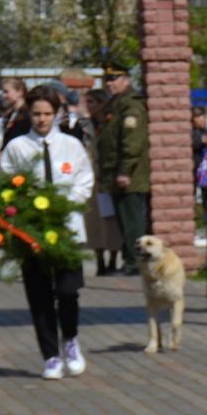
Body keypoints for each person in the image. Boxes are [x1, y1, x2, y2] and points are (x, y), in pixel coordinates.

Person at [0, 85, 96, 379]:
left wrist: (65, 203)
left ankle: (70, 339)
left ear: (57, 114)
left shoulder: (71, 145)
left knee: (67, 290)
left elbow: (84, 180)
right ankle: (50, 354)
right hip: (33, 229)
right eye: (36, 114)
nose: (41, 120)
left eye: (47, 114)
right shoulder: (17, 147)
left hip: (65, 226)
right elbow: (8, 184)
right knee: (39, 293)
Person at [101, 65, 151, 275]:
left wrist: (124, 171)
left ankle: (134, 263)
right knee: (124, 220)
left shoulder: (131, 106)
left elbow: (132, 142)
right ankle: (130, 260)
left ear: (127, 80)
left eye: (115, 79)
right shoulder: (116, 104)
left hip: (129, 175)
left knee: (132, 222)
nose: (110, 83)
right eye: (107, 79)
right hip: (115, 172)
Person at [81, 88, 123, 276]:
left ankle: (113, 259)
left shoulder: (111, 123)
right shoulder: (85, 125)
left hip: (109, 176)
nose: (87, 107)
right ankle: (99, 259)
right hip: (91, 177)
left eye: (91, 103)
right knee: (94, 222)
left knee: (111, 221)